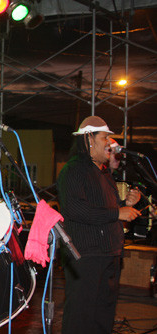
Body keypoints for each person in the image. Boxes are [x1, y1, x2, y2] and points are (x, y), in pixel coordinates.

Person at [57, 115, 141, 334]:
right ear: (89, 140)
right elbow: (76, 210)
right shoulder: (73, 170)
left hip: (109, 254)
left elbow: (104, 210)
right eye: (105, 138)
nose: (110, 144)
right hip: (85, 255)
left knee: (103, 316)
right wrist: (118, 212)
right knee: (81, 317)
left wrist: (124, 204)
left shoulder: (104, 173)